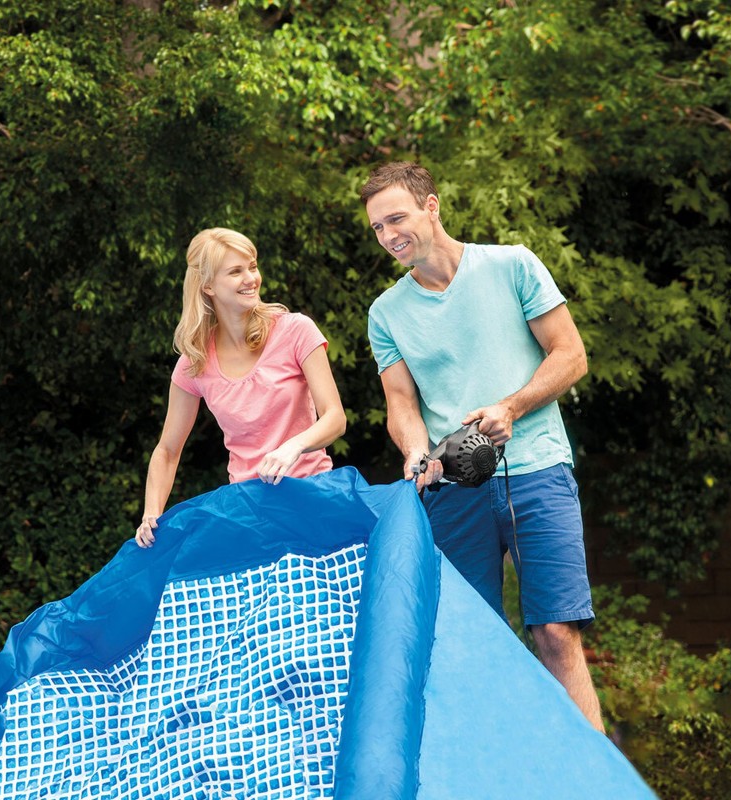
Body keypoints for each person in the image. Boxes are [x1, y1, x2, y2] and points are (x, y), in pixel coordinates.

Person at [360, 161, 605, 733]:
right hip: (454, 488)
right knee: (474, 642)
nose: (389, 235)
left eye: (396, 218)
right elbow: (402, 404)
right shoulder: (386, 313)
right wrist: (416, 452)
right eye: (377, 227)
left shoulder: (513, 265)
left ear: (432, 206)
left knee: (556, 631)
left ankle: (596, 772)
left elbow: (571, 355)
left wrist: (510, 407)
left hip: (537, 469)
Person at [135, 227, 346, 548]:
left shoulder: (296, 330)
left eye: (253, 267)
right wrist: (151, 514)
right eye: (236, 272)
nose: (251, 278)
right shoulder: (194, 362)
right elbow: (167, 451)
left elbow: (335, 418)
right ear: (208, 286)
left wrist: (294, 446)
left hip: (312, 497)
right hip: (249, 514)